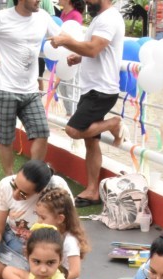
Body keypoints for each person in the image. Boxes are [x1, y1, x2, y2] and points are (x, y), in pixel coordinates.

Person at [0, 0, 60, 176]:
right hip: (4, 88)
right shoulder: (2, 17)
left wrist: (72, 51)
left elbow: (60, 37)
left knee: (42, 132)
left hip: (31, 90)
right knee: (6, 138)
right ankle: (9, 178)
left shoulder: (43, 17)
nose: (39, 0)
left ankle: (33, 178)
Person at [47, 0, 124, 207]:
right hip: (92, 88)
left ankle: (113, 124)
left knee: (73, 130)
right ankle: (92, 190)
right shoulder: (101, 18)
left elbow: (93, 49)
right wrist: (79, 57)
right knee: (91, 141)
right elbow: (98, 51)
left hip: (101, 90)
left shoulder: (109, 18)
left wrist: (65, 41)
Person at [0, 187, 100, 279]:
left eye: (43, 217)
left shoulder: (69, 241)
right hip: (44, 277)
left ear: (60, 219)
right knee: (8, 271)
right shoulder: (47, 233)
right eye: (38, 216)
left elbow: (74, 271)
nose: (39, 221)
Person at [57, 0, 85, 116]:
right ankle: (69, 113)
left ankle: (74, 114)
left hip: (72, 54)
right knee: (63, 87)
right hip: (62, 54)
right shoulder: (63, 13)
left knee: (72, 87)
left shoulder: (75, 15)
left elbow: (75, 35)